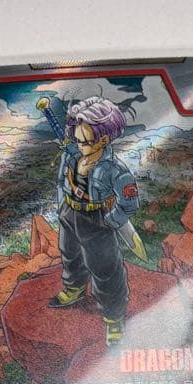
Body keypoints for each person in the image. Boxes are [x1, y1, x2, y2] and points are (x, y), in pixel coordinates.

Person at [50, 96, 139, 345]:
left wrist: (110, 221)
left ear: (103, 139)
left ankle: (114, 318)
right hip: (70, 213)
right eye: (78, 140)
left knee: (105, 268)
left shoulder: (115, 169)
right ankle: (75, 288)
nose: (80, 146)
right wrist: (63, 208)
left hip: (97, 219)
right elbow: (61, 182)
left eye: (86, 141)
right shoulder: (71, 155)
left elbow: (129, 202)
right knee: (69, 253)